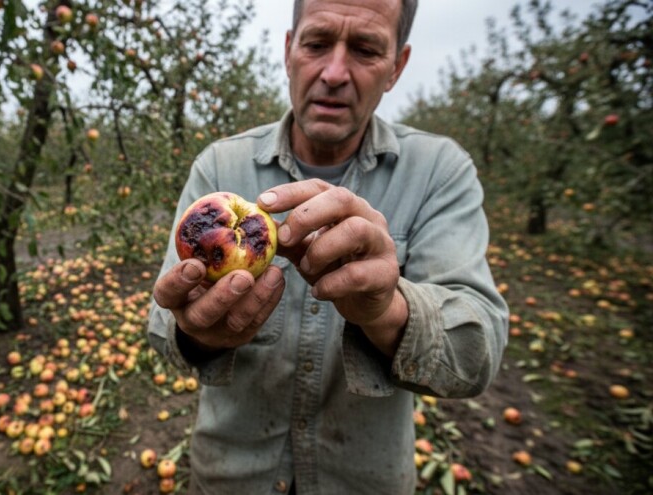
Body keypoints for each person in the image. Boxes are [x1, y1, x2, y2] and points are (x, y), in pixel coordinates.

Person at [147, 0, 509, 493]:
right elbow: (164, 332)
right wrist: (198, 333)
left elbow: (478, 353)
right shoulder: (219, 167)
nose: (335, 73)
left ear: (396, 68)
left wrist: (386, 310)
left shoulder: (438, 172)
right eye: (317, 43)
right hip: (231, 474)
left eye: (364, 49)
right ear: (289, 48)